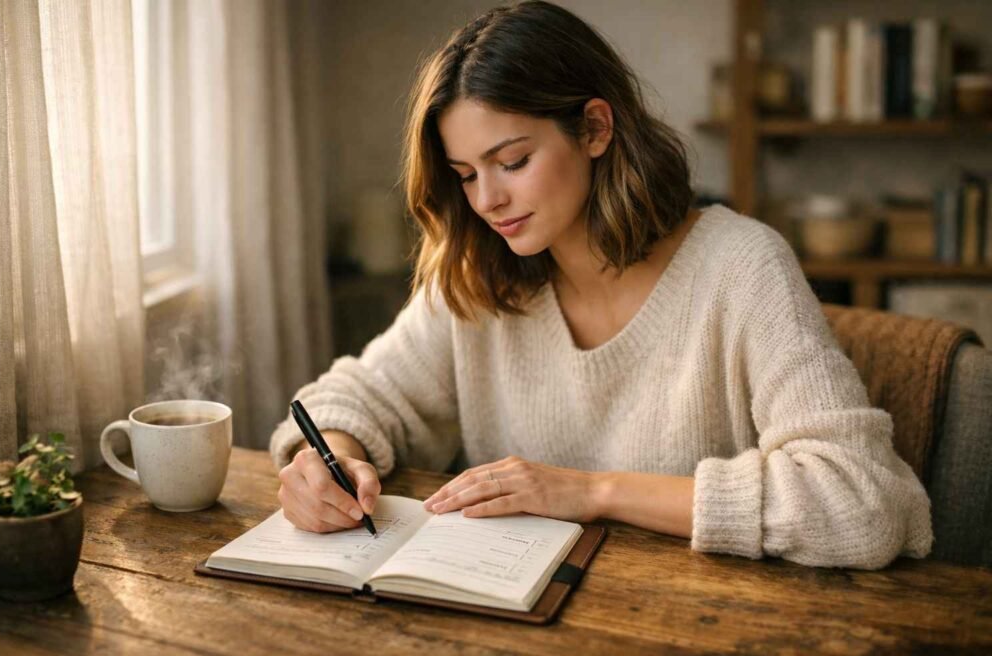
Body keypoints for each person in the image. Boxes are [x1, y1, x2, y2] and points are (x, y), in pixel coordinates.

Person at [270, 1, 932, 569]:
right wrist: (327, 458)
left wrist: (593, 491)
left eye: (513, 161)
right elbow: (356, 396)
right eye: (467, 174)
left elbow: (862, 500)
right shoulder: (478, 273)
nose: (488, 201)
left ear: (594, 128)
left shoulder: (742, 266)